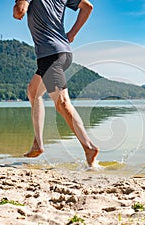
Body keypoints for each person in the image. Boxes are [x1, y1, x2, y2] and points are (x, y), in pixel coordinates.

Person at [13, 0, 99, 167]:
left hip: (50, 54)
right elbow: (88, 7)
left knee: (62, 103)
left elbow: (19, 13)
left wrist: (19, 4)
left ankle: (89, 147)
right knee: (33, 91)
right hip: (63, 52)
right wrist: (72, 34)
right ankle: (38, 143)